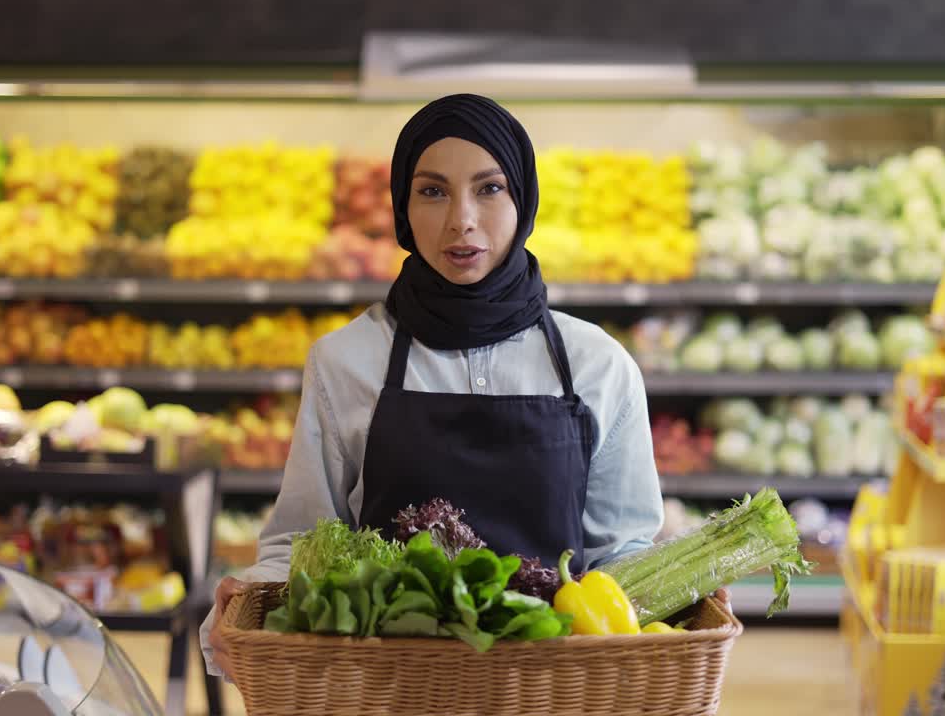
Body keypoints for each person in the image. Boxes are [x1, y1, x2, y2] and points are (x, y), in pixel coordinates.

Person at [202, 94, 669, 681]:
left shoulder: (597, 364)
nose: (462, 220)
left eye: (489, 188)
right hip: (389, 688)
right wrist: (244, 603)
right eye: (433, 191)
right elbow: (301, 544)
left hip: (553, 686)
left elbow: (622, 555)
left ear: (523, 197)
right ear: (402, 206)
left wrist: (678, 595)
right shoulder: (346, 360)